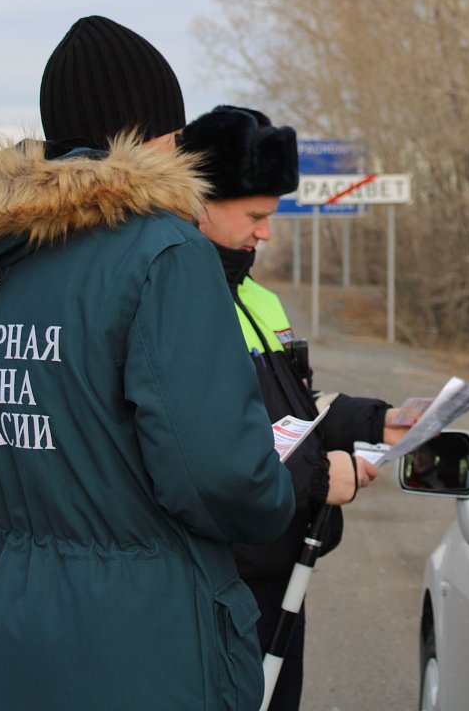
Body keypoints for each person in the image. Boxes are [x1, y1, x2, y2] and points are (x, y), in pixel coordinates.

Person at [0, 17, 295, 711]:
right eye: (177, 135)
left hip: (11, 623)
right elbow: (215, 473)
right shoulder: (161, 250)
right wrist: (284, 491)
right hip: (144, 639)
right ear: (149, 135)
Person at [177, 105, 403, 711]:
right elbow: (210, 456)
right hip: (219, 589)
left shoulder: (258, 300)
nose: (266, 234)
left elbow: (293, 409)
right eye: (254, 216)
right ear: (198, 200)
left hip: (282, 577)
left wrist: (375, 421)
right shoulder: (177, 304)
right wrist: (318, 480)